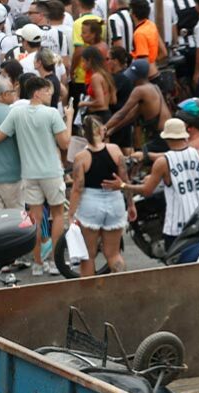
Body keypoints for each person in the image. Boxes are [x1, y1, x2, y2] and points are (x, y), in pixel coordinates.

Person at [0, 76, 73, 276]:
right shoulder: (51, 113)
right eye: (47, 90)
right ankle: (55, 262)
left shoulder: (17, 113)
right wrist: (70, 117)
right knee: (57, 216)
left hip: (29, 174)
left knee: (35, 218)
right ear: (37, 92)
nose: (51, 93)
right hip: (51, 172)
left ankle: (38, 263)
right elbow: (65, 143)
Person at [102, 118, 199, 249]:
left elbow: (147, 190)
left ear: (166, 139)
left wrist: (122, 185)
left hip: (177, 228)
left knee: (178, 266)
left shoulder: (163, 162)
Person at [67, 116, 134, 277]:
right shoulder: (115, 150)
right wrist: (131, 204)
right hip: (115, 201)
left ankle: (89, 298)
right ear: (100, 131)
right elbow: (125, 179)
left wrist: (70, 214)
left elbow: (78, 188)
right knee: (113, 254)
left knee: (88, 256)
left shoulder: (81, 157)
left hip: (90, 204)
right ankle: (123, 289)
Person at [105, 59, 171, 153]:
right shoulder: (154, 87)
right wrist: (112, 130)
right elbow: (131, 115)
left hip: (159, 136)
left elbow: (122, 113)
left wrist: (104, 127)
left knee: (138, 160)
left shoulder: (140, 90)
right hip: (166, 133)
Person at [71, 0, 102, 103]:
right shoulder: (101, 21)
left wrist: (72, 70)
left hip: (82, 75)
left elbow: (78, 51)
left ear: (79, 3)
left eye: (84, 33)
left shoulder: (78, 23)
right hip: (100, 74)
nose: (82, 35)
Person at [0, 78, 20, 210]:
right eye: (12, 91)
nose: (15, 94)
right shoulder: (13, 114)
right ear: (4, 95)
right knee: (17, 220)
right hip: (12, 175)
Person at [80, 46, 117, 123]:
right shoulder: (106, 75)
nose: (82, 64)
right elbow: (113, 100)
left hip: (98, 116)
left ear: (89, 61)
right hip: (107, 114)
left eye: (83, 61)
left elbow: (100, 102)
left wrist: (84, 103)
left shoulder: (95, 77)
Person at [130, 0, 165, 80]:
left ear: (133, 14)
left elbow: (143, 64)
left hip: (147, 79)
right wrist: (152, 62)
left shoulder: (139, 34)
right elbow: (164, 53)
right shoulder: (151, 25)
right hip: (156, 73)